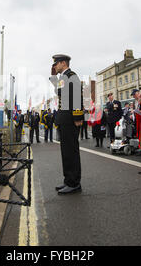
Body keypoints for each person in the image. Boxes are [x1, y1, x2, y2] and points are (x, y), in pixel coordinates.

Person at [49, 54, 83, 195]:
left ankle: (74, 183)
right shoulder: (63, 77)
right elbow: (60, 92)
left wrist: (77, 116)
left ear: (63, 63)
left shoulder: (71, 75)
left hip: (70, 119)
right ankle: (68, 180)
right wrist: (53, 78)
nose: (54, 66)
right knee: (66, 152)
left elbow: (76, 96)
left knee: (71, 152)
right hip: (64, 119)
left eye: (56, 64)